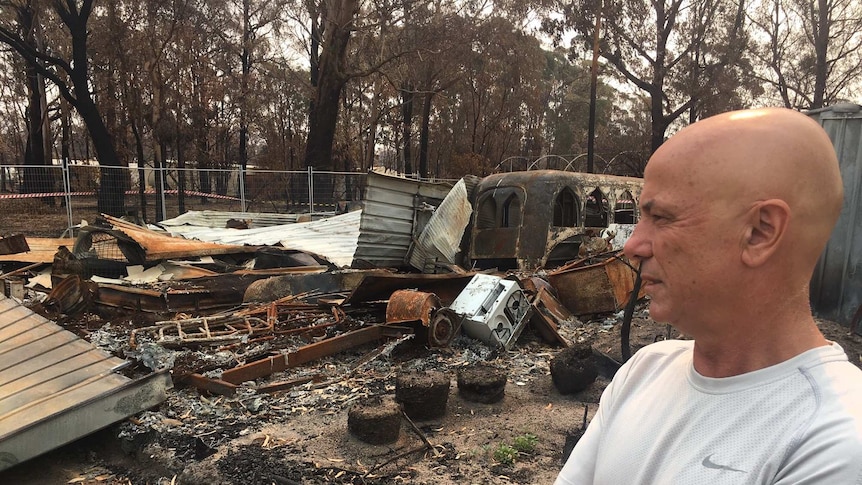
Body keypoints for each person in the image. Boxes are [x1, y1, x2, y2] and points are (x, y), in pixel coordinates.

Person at [555, 107, 862, 484]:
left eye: (662, 217)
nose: (632, 246)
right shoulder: (643, 371)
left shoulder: (834, 440)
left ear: (760, 232)